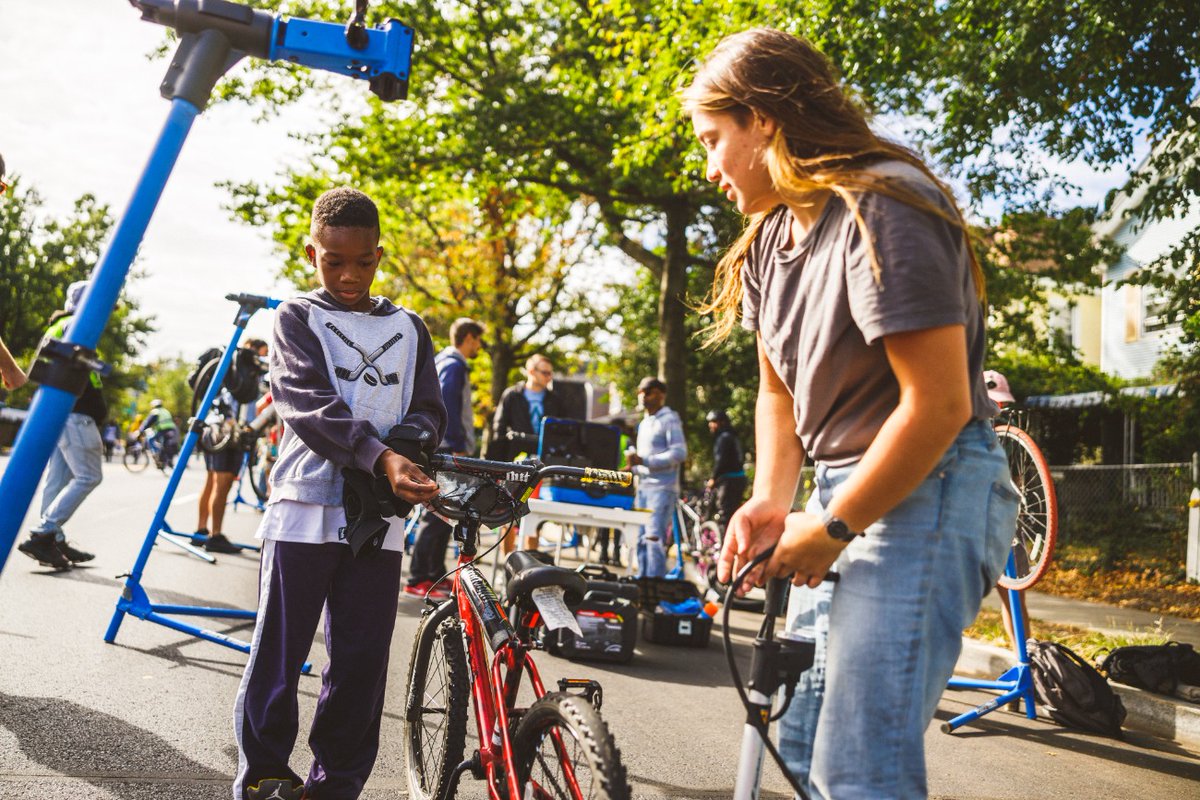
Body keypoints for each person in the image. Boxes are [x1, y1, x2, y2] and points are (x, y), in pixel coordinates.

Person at [684, 29, 1017, 799]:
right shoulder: (766, 242)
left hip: (929, 487)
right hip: (840, 489)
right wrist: (772, 499)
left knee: (858, 767)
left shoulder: (883, 205)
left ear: (762, 120)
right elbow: (778, 392)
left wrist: (834, 527)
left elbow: (938, 404)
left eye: (712, 140)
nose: (709, 168)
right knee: (799, 746)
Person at [232, 186, 445, 800]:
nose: (349, 275)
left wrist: (408, 447)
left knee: (360, 662)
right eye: (334, 261)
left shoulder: (410, 327)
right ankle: (265, 774)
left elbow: (429, 409)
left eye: (363, 261)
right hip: (305, 504)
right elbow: (307, 403)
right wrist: (381, 457)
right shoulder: (296, 317)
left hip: (379, 516)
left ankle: (336, 785)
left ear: (379, 255)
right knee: (280, 651)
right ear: (312, 254)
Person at [16, 280, 106, 570]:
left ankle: (52, 538)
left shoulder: (61, 325)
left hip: (62, 414)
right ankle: (45, 532)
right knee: (89, 476)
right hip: (75, 414)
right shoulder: (76, 326)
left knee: (58, 478)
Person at [405, 317, 485, 598]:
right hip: (449, 446)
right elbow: (448, 403)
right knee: (439, 513)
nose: (479, 346)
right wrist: (459, 443)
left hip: (442, 445)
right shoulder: (455, 365)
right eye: (477, 340)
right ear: (468, 338)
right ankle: (419, 577)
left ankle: (434, 574)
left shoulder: (443, 361)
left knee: (444, 515)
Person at [194, 338, 269, 555]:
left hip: (214, 429)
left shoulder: (230, 366)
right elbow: (231, 401)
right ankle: (215, 535)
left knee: (211, 480)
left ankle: (201, 530)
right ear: (252, 349)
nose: (263, 359)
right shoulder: (241, 369)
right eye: (262, 353)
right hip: (228, 432)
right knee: (223, 483)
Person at [486, 353, 566, 550]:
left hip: (542, 464)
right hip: (515, 462)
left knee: (534, 513)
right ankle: (508, 560)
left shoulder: (555, 400)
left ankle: (531, 558)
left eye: (550, 373)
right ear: (531, 371)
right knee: (508, 514)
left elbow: (562, 431)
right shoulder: (512, 395)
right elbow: (499, 427)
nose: (549, 377)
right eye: (545, 373)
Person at [624, 377, 687, 579]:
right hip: (643, 488)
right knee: (641, 538)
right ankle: (643, 584)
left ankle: (655, 585)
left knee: (653, 538)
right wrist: (633, 467)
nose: (643, 395)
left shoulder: (669, 419)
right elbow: (643, 461)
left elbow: (679, 453)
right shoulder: (644, 423)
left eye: (648, 391)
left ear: (661, 395)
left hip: (662, 489)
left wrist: (644, 460)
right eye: (640, 391)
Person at [704, 409, 747, 534]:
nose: (710, 425)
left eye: (713, 422)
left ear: (722, 422)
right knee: (733, 513)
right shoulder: (732, 436)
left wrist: (713, 478)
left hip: (728, 481)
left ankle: (724, 543)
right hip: (739, 478)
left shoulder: (723, 438)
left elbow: (721, 461)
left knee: (724, 516)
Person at [139, 398, 179, 466]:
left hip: (162, 429)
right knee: (164, 444)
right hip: (171, 430)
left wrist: (141, 430)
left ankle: (156, 453)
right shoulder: (165, 411)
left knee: (150, 439)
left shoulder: (155, 411)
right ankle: (162, 458)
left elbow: (148, 422)